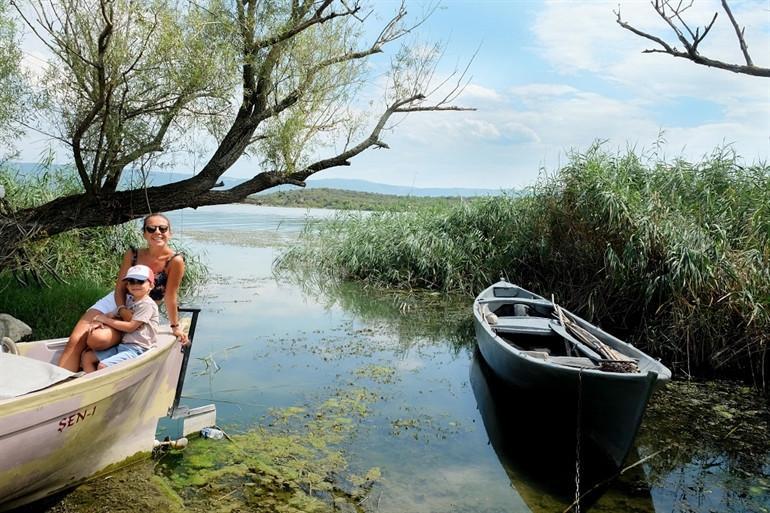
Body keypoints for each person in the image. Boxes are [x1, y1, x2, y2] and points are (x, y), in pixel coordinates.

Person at [57, 213, 188, 372]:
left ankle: (93, 357)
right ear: (144, 233)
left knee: (97, 339)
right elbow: (119, 288)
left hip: (141, 306)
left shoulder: (175, 261)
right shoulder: (133, 254)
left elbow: (170, 296)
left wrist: (175, 326)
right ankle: (60, 382)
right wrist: (121, 309)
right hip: (118, 300)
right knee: (75, 340)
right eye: (151, 228)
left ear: (170, 233)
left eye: (163, 228)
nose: (157, 232)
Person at [80, 265, 159, 372]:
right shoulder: (129, 301)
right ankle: (89, 385)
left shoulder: (147, 304)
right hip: (123, 346)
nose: (135, 284)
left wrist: (106, 320)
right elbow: (111, 315)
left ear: (151, 285)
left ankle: (102, 387)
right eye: (131, 281)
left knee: (103, 366)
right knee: (87, 357)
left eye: (140, 281)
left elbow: (131, 327)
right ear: (127, 286)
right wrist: (98, 320)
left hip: (138, 349)